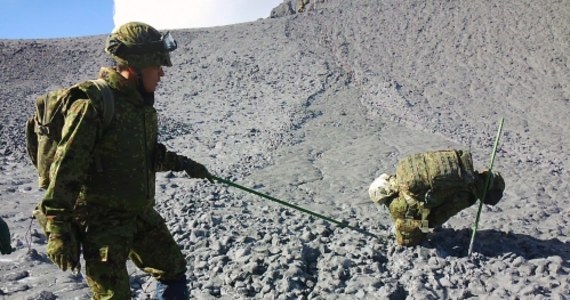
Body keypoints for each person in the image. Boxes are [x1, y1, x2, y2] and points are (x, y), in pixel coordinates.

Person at [37, 21, 213, 299]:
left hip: (140, 214)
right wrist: (57, 229)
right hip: (102, 223)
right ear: (137, 66)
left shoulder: (140, 106)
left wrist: (186, 165)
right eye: (157, 66)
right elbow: (66, 170)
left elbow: (146, 157)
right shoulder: (93, 103)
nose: (162, 74)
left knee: (173, 270)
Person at [368, 150, 505, 246]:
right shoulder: (403, 172)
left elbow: (407, 236)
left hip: (463, 194)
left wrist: (418, 229)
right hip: (462, 177)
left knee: (429, 222)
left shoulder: (397, 205)